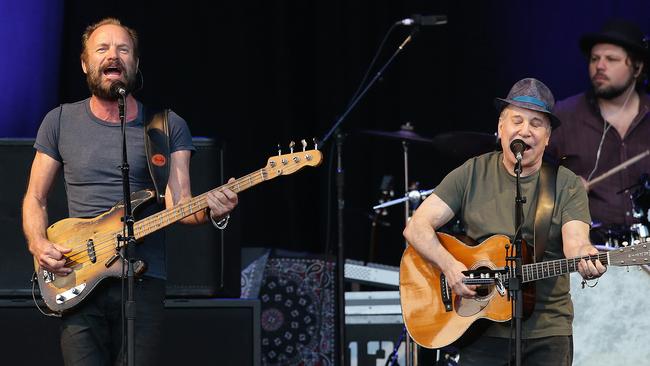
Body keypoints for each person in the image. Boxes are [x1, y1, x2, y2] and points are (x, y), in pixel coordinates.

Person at [22, 18, 238, 365]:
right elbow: (35, 197)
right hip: (77, 271)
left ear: (135, 64)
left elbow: (180, 205)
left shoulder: (166, 126)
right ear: (84, 63)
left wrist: (215, 211)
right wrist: (38, 243)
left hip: (143, 276)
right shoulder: (59, 121)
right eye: (103, 48)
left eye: (123, 49)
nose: (114, 56)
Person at [403, 78, 606, 365]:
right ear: (501, 127)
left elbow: (576, 243)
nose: (526, 130)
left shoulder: (565, 183)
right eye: (517, 120)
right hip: (479, 327)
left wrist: (585, 259)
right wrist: (449, 266)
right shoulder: (471, 172)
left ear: (547, 137)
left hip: (547, 332)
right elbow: (417, 227)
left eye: (537, 124)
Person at [547, 19, 650, 237]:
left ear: (637, 67)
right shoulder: (563, 115)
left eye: (611, 59)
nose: (599, 66)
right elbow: (530, 177)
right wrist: (562, 186)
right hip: (590, 252)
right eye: (595, 59)